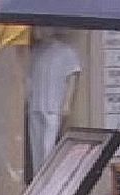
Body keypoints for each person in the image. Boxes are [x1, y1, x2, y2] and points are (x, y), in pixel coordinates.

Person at [27, 27, 81, 174]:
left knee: (48, 147)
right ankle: (37, 177)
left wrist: (67, 102)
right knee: (36, 147)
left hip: (53, 105)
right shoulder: (35, 52)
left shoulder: (65, 51)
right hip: (36, 104)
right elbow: (28, 78)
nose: (36, 31)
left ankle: (46, 177)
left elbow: (73, 76)